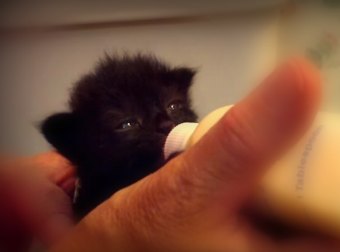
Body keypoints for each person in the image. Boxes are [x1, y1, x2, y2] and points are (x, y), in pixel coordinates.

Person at [0, 58, 339, 252]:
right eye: (127, 123)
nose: (165, 123)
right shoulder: (87, 206)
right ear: (77, 145)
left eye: (174, 106)